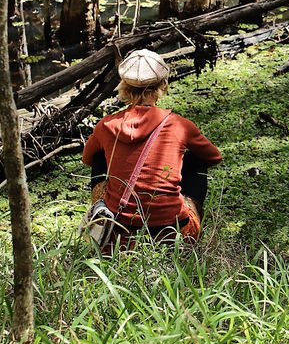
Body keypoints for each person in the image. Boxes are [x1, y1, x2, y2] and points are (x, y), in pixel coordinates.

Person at [83, 49, 222, 247]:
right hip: (177, 232)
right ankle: (189, 238)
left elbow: (88, 160)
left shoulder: (106, 125)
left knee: (99, 157)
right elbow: (214, 157)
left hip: (119, 236)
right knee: (196, 160)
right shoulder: (180, 125)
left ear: (124, 86)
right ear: (162, 85)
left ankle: (103, 216)